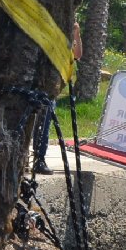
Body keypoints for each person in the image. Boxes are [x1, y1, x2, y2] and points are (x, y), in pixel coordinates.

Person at [31, 21, 83, 174]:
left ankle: (39, 159)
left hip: (52, 87)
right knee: (33, 124)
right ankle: (27, 158)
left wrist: (76, 34)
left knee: (44, 125)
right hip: (36, 83)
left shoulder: (68, 30)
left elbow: (78, 54)